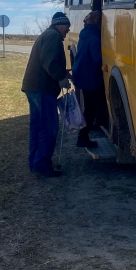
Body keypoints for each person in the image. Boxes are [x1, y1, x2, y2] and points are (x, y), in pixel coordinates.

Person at [21, 12, 71, 178]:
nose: (68, 30)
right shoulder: (53, 36)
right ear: (59, 25)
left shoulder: (47, 34)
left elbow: (47, 61)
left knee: (37, 127)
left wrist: (63, 72)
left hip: (34, 87)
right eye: (67, 26)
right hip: (43, 89)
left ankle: (35, 163)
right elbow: (49, 61)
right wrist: (61, 78)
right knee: (49, 128)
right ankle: (42, 165)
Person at [71, 11, 108, 149]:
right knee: (90, 108)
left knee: (90, 105)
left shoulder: (85, 33)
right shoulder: (95, 38)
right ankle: (83, 137)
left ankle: (95, 123)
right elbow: (97, 58)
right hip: (90, 77)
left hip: (82, 75)